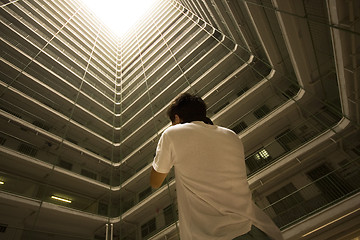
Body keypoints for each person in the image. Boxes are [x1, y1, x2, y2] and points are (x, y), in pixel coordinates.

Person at [150, 93, 283, 240]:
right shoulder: (231, 135)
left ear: (176, 117)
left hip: (214, 235)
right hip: (253, 227)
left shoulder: (172, 134)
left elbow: (155, 182)